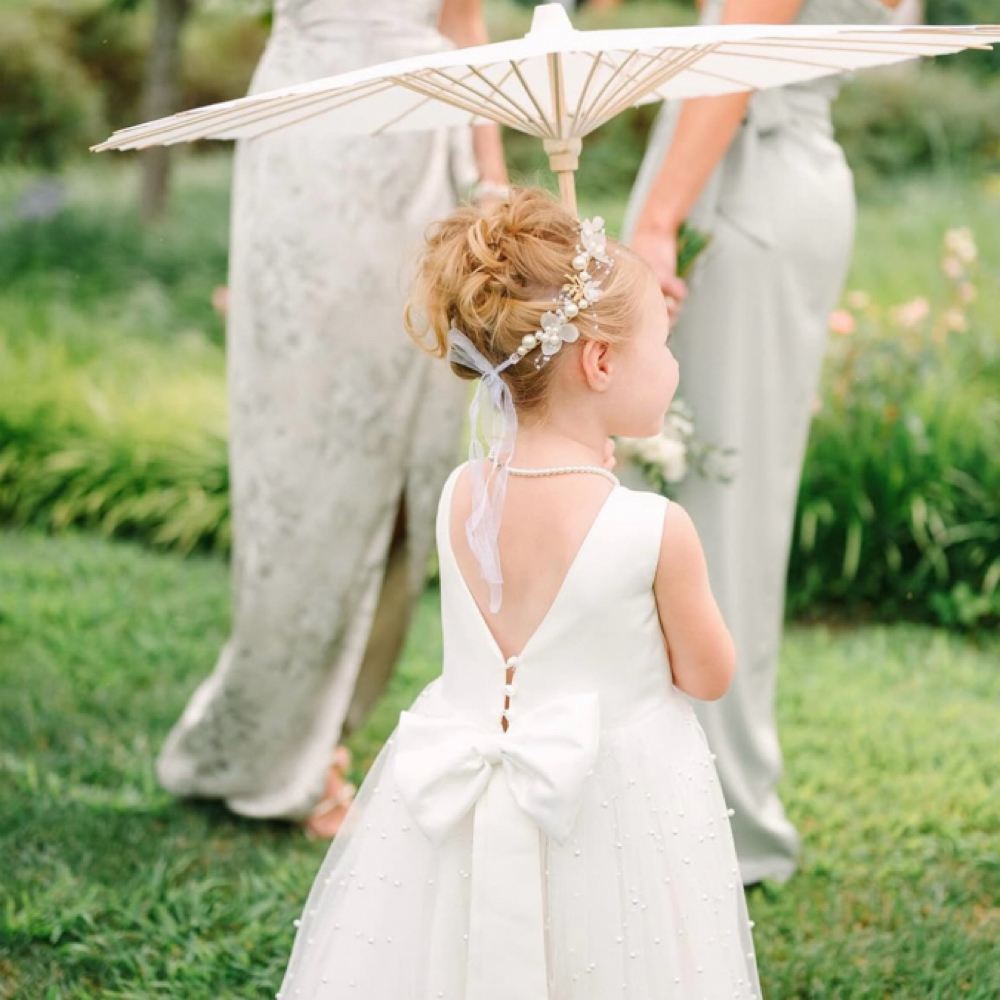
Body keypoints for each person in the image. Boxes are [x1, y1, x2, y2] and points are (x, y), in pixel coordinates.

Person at [274, 188, 761, 999]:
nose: (673, 366)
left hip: (460, 808)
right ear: (599, 362)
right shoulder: (654, 527)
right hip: (611, 812)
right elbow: (708, 675)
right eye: (665, 345)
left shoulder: (462, 492)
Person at [155, 0, 509, 837]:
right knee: (304, 455)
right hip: (308, 141)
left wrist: (490, 182)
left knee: (416, 448)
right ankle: (274, 733)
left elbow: (464, 19)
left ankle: (333, 736)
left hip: (425, 144)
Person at [623, 0, 901, 885]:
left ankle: (711, 811)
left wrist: (659, 220)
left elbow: (736, 43)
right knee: (728, 505)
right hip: (790, 175)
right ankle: (702, 791)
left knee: (708, 513)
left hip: (734, 181)